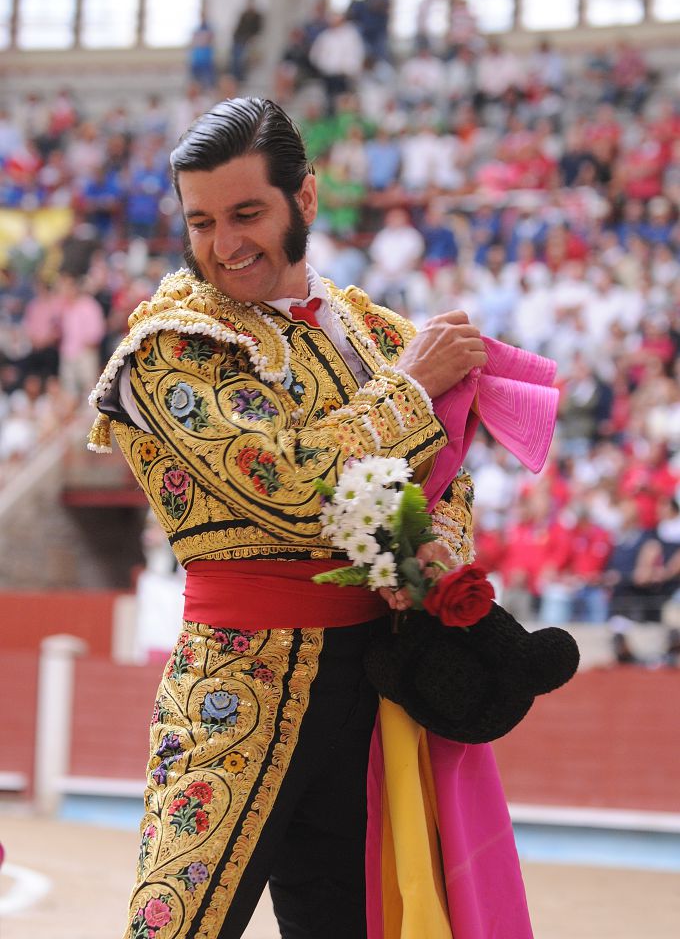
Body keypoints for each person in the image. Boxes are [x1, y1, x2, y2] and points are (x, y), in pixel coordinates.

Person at [88, 97, 532, 939]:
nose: (227, 245)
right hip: (233, 687)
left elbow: (448, 479)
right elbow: (289, 487)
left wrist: (431, 554)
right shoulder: (169, 347)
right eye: (203, 221)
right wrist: (407, 389)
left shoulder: (370, 328)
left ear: (308, 197)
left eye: (247, 212)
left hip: (373, 690)